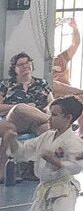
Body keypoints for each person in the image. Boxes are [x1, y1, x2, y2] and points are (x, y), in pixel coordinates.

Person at [1, 51, 56, 181]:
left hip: (36, 121)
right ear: (14, 69)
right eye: (21, 64)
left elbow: (51, 102)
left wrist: (48, 109)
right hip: (15, 119)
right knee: (21, 108)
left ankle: (37, 168)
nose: (25, 66)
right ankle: (55, 121)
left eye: (27, 63)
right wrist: (23, 106)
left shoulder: (41, 83)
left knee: (46, 129)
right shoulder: (6, 85)